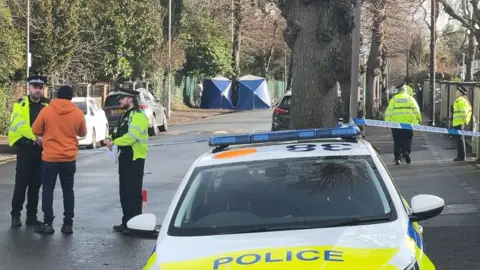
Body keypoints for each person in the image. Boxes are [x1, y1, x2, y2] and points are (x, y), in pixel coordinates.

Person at [32, 85, 87, 234]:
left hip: (50, 157)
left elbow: (35, 130)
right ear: (71, 97)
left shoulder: (47, 110)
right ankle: (68, 224)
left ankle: (48, 223)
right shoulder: (77, 113)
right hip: (69, 158)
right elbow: (83, 132)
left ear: (56, 95)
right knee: (68, 190)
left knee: (48, 189)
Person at [104, 88, 149, 235]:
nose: (119, 101)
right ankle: (126, 222)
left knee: (133, 192)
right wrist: (110, 138)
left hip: (135, 157)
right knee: (124, 191)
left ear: (130, 99)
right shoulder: (125, 115)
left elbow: (131, 137)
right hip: (124, 156)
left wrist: (114, 142)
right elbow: (117, 131)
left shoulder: (138, 116)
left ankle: (135, 224)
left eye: (122, 98)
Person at [8, 75, 50, 228]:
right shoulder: (20, 104)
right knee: (21, 183)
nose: (38, 90)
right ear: (29, 88)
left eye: (40, 87)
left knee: (36, 184)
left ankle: (31, 216)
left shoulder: (48, 105)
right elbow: (20, 125)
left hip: (42, 149)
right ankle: (15, 215)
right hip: (26, 148)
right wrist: (35, 137)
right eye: (35, 87)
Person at [385, 82, 421, 165]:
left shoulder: (394, 99)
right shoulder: (410, 98)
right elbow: (416, 110)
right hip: (408, 124)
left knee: (397, 141)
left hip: (395, 124)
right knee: (407, 139)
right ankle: (406, 151)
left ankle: (397, 158)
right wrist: (419, 119)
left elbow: (388, 112)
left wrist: (387, 123)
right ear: (405, 90)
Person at [451, 85, 472, 161]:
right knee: (459, 140)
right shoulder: (460, 100)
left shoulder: (460, 100)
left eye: (457, 91)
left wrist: (464, 121)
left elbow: (464, 112)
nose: (456, 92)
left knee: (460, 140)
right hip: (458, 122)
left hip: (459, 123)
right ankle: (460, 156)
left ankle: (461, 157)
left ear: (460, 92)